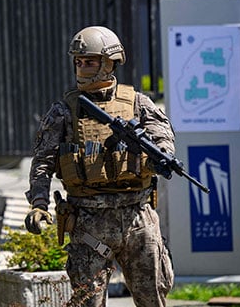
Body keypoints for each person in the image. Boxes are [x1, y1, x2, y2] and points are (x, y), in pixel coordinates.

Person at [24, 26, 175, 306]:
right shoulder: (64, 111)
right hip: (88, 221)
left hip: (137, 216)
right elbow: (43, 161)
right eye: (78, 62)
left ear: (109, 63)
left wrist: (161, 153)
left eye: (89, 61)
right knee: (87, 302)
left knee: (153, 298)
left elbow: (162, 136)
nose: (82, 67)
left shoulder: (138, 104)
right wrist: (39, 203)